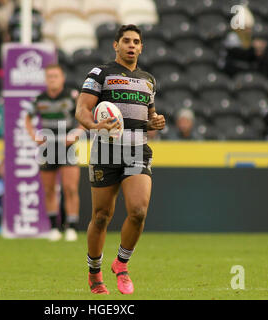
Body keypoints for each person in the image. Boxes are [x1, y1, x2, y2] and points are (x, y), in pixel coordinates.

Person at [75, 24, 165, 294]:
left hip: (137, 149)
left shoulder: (148, 80)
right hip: (105, 150)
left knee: (138, 211)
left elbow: (150, 115)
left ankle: (121, 264)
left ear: (141, 47)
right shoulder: (99, 73)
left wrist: (156, 120)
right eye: (126, 40)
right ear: (116, 45)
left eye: (136, 42)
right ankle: (94, 272)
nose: (131, 45)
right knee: (102, 216)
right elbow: (82, 109)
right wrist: (93, 127)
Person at [25, 64, 82, 242]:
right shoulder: (39, 99)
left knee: (70, 188)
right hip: (47, 148)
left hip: (67, 147)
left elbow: (84, 117)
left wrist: (76, 134)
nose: (52, 80)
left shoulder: (72, 96)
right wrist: (33, 135)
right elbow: (27, 117)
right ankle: (54, 227)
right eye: (49, 76)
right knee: (49, 189)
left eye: (55, 76)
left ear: (62, 78)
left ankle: (71, 227)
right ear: (45, 79)